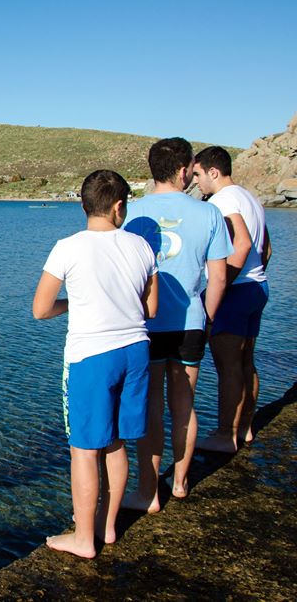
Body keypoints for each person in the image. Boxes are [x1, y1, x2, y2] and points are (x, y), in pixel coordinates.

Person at [33, 170, 158, 558]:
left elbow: (40, 310)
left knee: (84, 450)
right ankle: (107, 528)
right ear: (119, 206)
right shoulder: (141, 247)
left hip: (91, 357)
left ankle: (84, 538)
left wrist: (74, 304)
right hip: (136, 351)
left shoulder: (68, 247)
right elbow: (150, 309)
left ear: (84, 205)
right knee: (116, 442)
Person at [121, 138, 232, 511]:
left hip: (146, 326)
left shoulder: (132, 214)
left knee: (151, 407)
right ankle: (181, 483)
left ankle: (149, 493)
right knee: (184, 405)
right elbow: (217, 277)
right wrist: (209, 319)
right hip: (191, 323)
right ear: (184, 170)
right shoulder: (209, 213)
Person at [192, 146, 272, 453]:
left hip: (235, 291)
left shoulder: (223, 201)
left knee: (228, 366)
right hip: (256, 287)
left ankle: (226, 435)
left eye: (198, 174)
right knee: (245, 361)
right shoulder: (249, 197)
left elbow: (243, 245)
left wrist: (222, 284)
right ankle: (245, 429)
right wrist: (253, 275)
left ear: (213, 172)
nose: (196, 181)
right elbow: (266, 250)